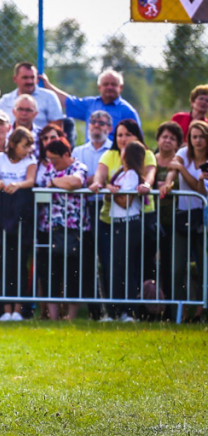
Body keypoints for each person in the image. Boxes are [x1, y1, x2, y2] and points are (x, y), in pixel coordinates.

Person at [87, 119, 157, 321]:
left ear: (136, 136)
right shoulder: (110, 155)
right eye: (119, 135)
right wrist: (101, 185)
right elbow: (100, 176)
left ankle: (130, 310)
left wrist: (143, 186)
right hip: (111, 220)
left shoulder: (145, 155)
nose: (123, 139)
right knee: (111, 264)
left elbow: (148, 177)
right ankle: (114, 310)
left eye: (127, 134)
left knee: (131, 265)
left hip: (136, 219)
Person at [0, 127, 37, 321]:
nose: (29, 149)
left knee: (20, 264)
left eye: (31, 145)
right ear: (13, 144)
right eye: (25, 145)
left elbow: (31, 181)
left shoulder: (31, 161)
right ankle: (6, 310)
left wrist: (17, 185)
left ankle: (18, 309)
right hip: (2, 218)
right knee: (4, 262)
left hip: (22, 218)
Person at [34, 139, 88, 320]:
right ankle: (53, 316)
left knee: (73, 273)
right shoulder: (48, 168)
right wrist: (57, 181)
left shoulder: (79, 167)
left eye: (55, 159)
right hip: (48, 228)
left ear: (66, 155)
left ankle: (71, 317)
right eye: (49, 159)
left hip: (74, 228)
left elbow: (76, 182)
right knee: (50, 273)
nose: (52, 163)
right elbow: (41, 182)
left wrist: (55, 182)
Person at [161, 120, 207, 320]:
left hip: (203, 219)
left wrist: (182, 170)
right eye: (194, 136)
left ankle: (202, 310)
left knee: (204, 267)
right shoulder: (182, 154)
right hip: (183, 216)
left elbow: (200, 190)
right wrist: (168, 184)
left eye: (202, 137)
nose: (198, 141)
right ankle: (179, 313)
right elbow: (172, 171)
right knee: (178, 268)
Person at [72, 111, 114, 314]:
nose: (97, 126)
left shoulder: (114, 151)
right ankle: (95, 312)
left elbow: (109, 179)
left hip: (107, 208)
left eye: (102, 123)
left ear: (109, 128)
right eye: (94, 122)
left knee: (108, 260)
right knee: (86, 261)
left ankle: (113, 309)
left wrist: (96, 180)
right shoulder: (78, 151)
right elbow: (77, 179)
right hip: (84, 207)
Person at [40, 68, 140, 141]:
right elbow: (67, 102)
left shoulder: (128, 112)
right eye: (105, 84)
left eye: (113, 84)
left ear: (121, 87)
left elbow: (137, 138)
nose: (109, 87)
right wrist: (47, 85)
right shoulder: (90, 105)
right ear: (99, 87)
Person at [153, 121, 185, 302]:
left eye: (172, 138)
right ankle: (149, 305)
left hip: (173, 219)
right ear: (157, 139)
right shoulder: (149, 159)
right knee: (150, 262)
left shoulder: (179, 163)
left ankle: (169, 305)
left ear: (178, 144)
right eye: (164, 136)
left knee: (169, 263)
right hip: (151, 216)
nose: (167, 141)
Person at [0, 62, 63, 133]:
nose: (29, 81)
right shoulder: (7, 99)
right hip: (11, 143)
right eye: (25, 78)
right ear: (15, 79)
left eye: (32, 77)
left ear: (37, 79)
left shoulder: (49, 97)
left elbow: (57, 127)